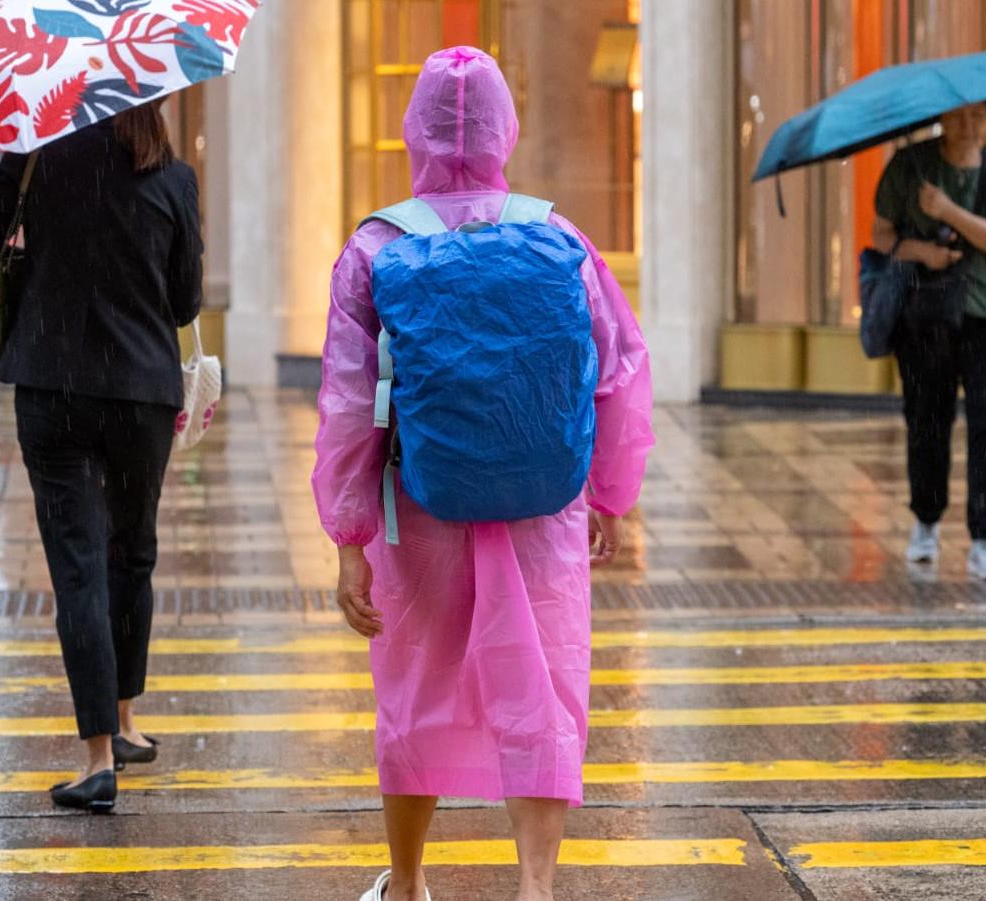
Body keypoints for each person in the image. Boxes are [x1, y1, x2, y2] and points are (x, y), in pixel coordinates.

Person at [313, 47, 653, 901]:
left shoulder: (374, 245)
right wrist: (610, 494)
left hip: (417, 502)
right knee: (542, 684)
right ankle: (534, 884)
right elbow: (617, 370)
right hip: (543, 508)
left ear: (411, 130)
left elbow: (351, 402)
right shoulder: (559, 235)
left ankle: (406, 881)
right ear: (507, 126)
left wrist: (349, 537)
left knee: (414, 685)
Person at [0, 102, 203, 812]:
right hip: (140, 392)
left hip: (52, 384)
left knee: (78, 565)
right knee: (132, 553)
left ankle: (98, 757)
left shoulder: (37, 161)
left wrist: (24, 210)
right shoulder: (172, 178)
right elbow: (185, 303)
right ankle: (125, 719)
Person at [873, 101, 986, 581]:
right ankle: (925, 522)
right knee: (926, 420)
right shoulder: (910, 167)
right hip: (927, 315)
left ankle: (985, 540)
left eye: (979, 117)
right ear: (942, 119)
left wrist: (947, 212)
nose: (969, 127)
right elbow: (882, 235)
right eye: (960, 117)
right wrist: (923, 250)